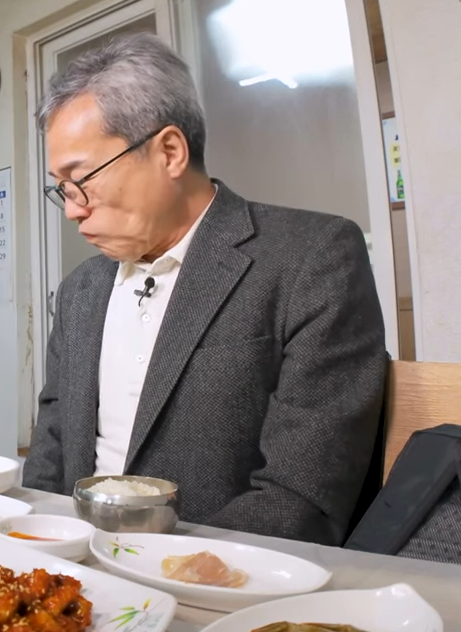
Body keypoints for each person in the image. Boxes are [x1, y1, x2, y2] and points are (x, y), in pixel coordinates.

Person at [22, 33, 388, 546]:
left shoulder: (311, 259)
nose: (72, 209)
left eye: (81, 179)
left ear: (170, 152)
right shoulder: (80, 290)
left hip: (216, 574)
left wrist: (154, 567)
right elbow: (50, 452)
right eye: (61, 188)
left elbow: (301, 497)